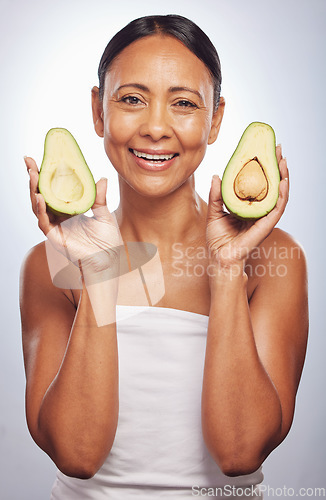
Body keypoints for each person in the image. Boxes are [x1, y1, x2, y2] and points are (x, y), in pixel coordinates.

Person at [20, 14, 308, 500]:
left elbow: (239, 454)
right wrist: (98, 275)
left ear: (215, 119)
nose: (155, 127)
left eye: (183, 104)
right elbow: (77, 455)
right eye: (131, 99)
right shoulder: (49, 263)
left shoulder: (274, 257)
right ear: (98, 111)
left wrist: (229, 268)